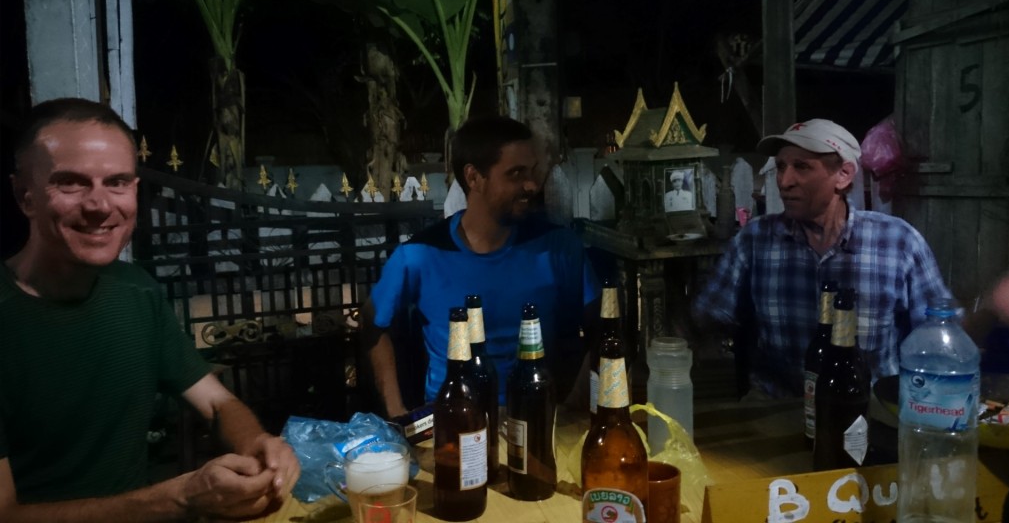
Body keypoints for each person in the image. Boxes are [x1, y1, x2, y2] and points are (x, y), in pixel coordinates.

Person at [0, 98, 300, 521]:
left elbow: (216, 403)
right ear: (24, 196)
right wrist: (180, 498)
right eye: (71, 183)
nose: (100, 205)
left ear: (135, 192)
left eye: (117, 182)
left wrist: (259, 446)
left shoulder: (136, 291)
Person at [693, 119, 950, 397]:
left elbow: (940, 338)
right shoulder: (755, 240)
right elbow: (708, 317)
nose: (784, 181)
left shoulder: (898, 243)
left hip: (868, 414)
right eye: (781, 167)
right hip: (780, 409)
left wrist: (989, 310)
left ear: (843, 175)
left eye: (801, 167)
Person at [364, 116, 600, 418]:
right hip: (453, 424)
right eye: (515, 174)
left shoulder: (558, 248)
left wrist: (577, 398)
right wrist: (396, 411)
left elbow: (602, 327)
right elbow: (373, 324)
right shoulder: (421, 255)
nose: (531, 185)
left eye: (532, 172)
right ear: (474, 178)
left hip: (539, 420)